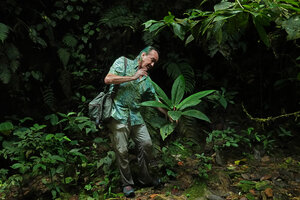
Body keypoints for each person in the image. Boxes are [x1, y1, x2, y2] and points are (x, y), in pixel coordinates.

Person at [104, 46, 162, 197]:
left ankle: (144, 178)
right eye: (152, 60)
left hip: (136, 117)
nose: (153, 65)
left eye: (155, 62)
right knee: (122, 150)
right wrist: (133, 77)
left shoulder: (147, 80)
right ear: (143, 55)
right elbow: (108, 79)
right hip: (118, 114)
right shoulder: (123, 63)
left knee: (146, 144)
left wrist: (170, 113)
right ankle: (127, 183)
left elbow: (156, 100)